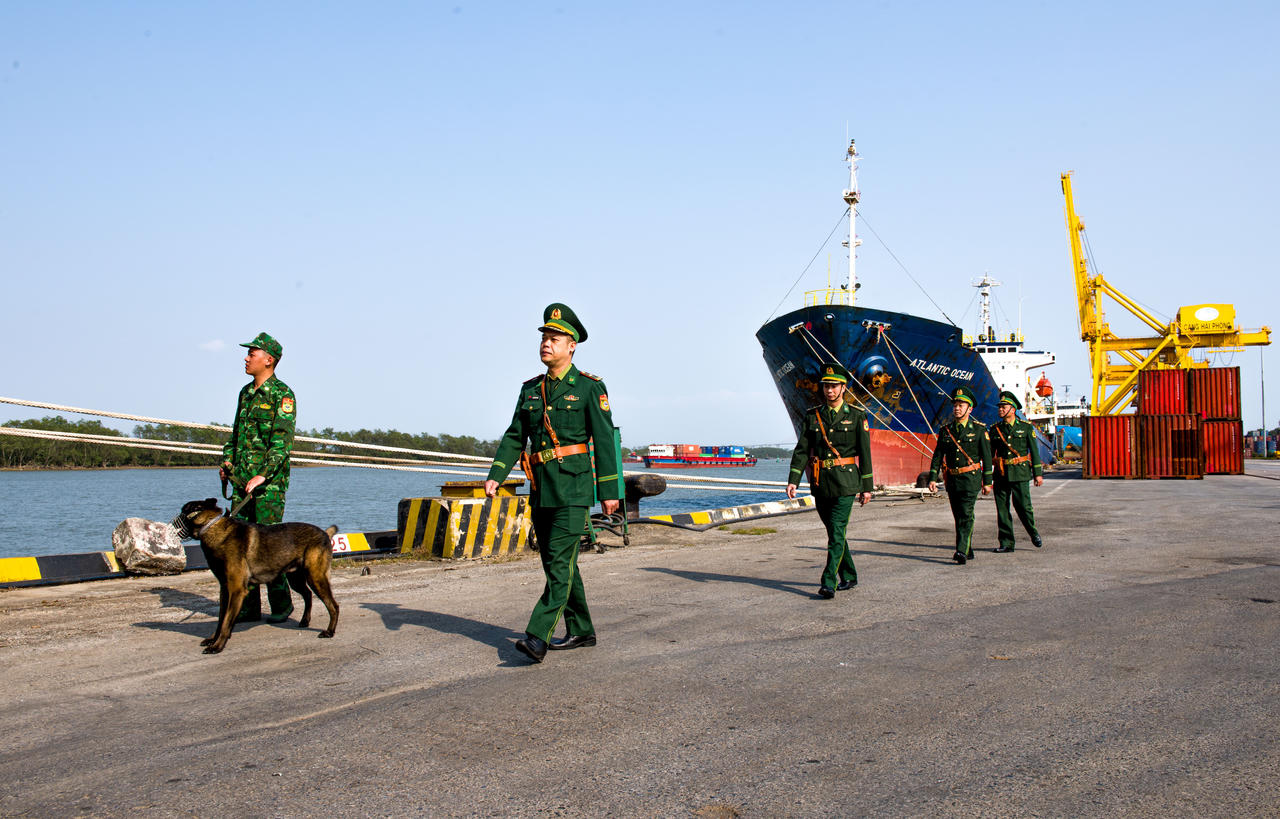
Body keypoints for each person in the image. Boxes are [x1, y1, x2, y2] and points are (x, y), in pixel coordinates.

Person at [484, 303, 622, 664]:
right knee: (557, 563)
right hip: (542, 488)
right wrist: (496, 474)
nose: (546, 343)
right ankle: (582, 629)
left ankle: (537, 636)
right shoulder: (531, 390)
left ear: (571, 346)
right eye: (544, 337)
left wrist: (610, 493)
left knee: (559, 563)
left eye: (554, 338)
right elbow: (515, 436)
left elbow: (605, 441)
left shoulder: (590, 387)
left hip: (574, 489)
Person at [220, 331, 296, 623]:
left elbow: (281, 443)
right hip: (241, 483)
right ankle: (247, 608)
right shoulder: (245, 393)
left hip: (268, 488)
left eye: (252, 354)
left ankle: (281, 606)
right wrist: (227, 462)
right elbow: (236, 434)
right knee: (240, 548)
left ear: (269, 360)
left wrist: (263, 475)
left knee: (269, 547)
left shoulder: (282, 395)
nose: (246, 358)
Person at [786, 363, 874, 599]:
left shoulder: (857, 416)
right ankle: (850, 575)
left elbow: (865, 454)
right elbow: (802, 450)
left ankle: (828, 581)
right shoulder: (812, 416)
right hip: (821, 483)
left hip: (846, 482)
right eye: (826, 386)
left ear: (843, 388)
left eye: (834, 386)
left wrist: (866, 487)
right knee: (836, 532)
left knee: (836, 531)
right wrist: (794, 479)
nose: (829, 390)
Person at [928, 386, 993, 565]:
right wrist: (932, 477)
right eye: (955, 405)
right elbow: (938, 455)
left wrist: (987, 482)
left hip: (971, 479)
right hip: (953, 480)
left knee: (966, 513)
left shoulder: (979, 430)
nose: (957, 408)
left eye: (961, 405)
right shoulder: (946, 430)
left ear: (969, 409)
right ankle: (968, 548)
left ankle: (961, 551)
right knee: (958, 515)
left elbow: (987, 458)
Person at [989, 390, 1044, 552]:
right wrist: (987, 476)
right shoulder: (995, 429)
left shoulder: (1026, 428)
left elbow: (1034, 452)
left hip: (1020, 473)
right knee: (1002, 509)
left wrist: (1038, 474)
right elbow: (989, 454)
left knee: (1024, 507)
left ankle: (1033, 532)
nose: (1000, 409)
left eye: (1004, 407)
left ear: (1013, 409)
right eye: (1000, 407)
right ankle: (1006, 543)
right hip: (1001, 474)